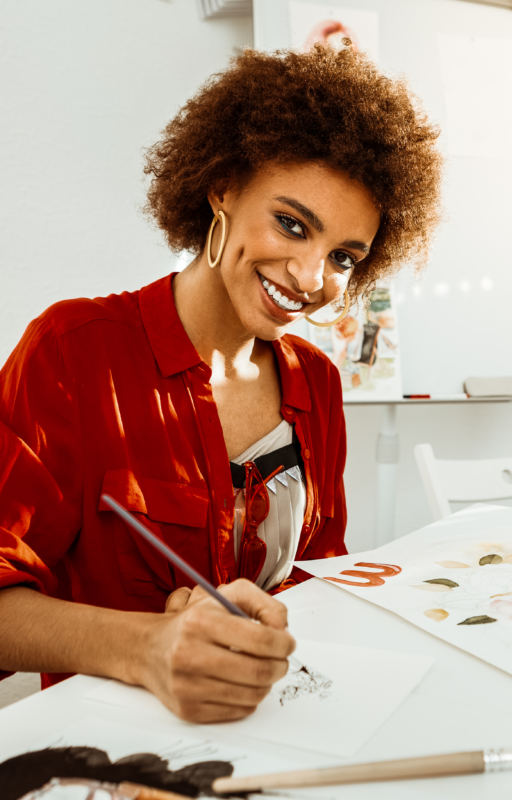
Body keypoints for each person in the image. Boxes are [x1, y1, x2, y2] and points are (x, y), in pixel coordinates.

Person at [0, 46, 442, 723]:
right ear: (223, 187)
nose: (308, 277)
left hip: (273, 730)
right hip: (114, 748)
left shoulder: (317, 385)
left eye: (342, 258)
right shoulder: (72, 353)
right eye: (292, 224)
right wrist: (148, 645)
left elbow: (316, 578)